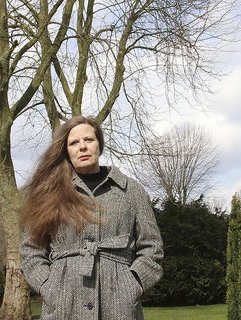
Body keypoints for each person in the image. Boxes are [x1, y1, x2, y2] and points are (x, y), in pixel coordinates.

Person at [20, 115, 163, 320]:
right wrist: (47, 285)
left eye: (89, 140)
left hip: (119, 305)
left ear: (99, 144)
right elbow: (30, 249)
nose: (82, 147)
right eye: (74, 143)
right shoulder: (49, 193)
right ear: (66, 150)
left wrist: (135, 284)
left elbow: (152, 247)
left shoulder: (131, 191)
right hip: (63, 304)